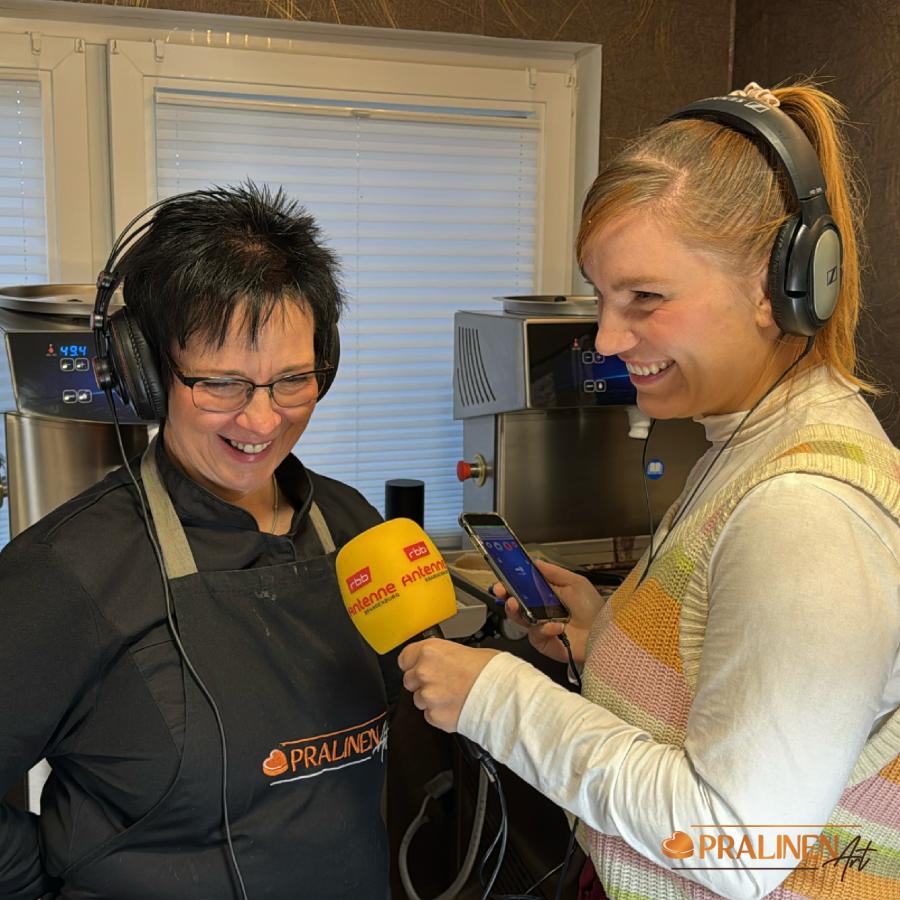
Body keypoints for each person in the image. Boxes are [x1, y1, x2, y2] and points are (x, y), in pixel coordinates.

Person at [399, 81, 900, 899]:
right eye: (602, 296)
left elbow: (739, 844)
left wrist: (499, 700)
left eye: (646, 298)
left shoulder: (806, 511)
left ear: (783, 286)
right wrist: (609, 639)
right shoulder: (738, 441)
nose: (605, 338)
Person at [0, 184, 396, 899]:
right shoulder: (65, 573)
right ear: (144, 372)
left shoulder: (353, 524)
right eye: (221, 384)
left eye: (292, 381)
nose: (261, 420)